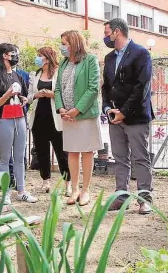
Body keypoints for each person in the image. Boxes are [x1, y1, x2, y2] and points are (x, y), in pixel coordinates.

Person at [101, 18, 155, 214]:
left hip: (135, 117)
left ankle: (144, 198)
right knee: (120, 158)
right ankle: (121, 196)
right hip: (114, 117)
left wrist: (124, 112)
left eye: (107, 33)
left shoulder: (141, 54)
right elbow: (106, 87)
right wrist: (107, 108)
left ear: (117, 32)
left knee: (140, 158)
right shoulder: (109, 58)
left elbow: (142, 88)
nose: (105, 37)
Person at [54, 30, 103, 206]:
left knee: (87, 152)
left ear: (74, 44)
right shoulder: (63, 63)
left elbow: (92, 88)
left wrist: (76, 110)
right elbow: (58, 88)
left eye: (64, 43)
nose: (62, 47)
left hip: (85, 115)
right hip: (67, 116)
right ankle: (74, 190)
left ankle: (85, 190)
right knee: (72, 152)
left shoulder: (90, 60)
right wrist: (60, 108)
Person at [0, 43, 37, 204]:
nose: (15, 56)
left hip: (19, 118)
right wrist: (8, 93)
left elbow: (23, 96)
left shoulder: (18, 76)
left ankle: (21, 190)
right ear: (4, 56)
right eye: (13, 53)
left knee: (19, 157)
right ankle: (6, 192)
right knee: (5, 158)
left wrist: (23, 99)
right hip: (5, 119)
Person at [27, 46, 69, 193]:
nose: (37, 58)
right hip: (38, 118)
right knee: (42, 151)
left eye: (40, 55)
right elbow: (29, 96)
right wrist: (37, 95)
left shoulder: (59, 73)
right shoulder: (35, 74)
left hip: (55, 118)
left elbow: (64, 93)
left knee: (62, 153)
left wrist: (52, 94)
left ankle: (67, 183)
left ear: (48, 57)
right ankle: (46, 181)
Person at [9, 45, 30, 188]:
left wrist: (24, 108)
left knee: (20, 149)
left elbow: (27, 94)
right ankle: (10, 177)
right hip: (6, 117)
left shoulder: (23, 75)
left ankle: (20, 179)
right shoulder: (0, 74)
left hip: (20, 115)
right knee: (7, 150)